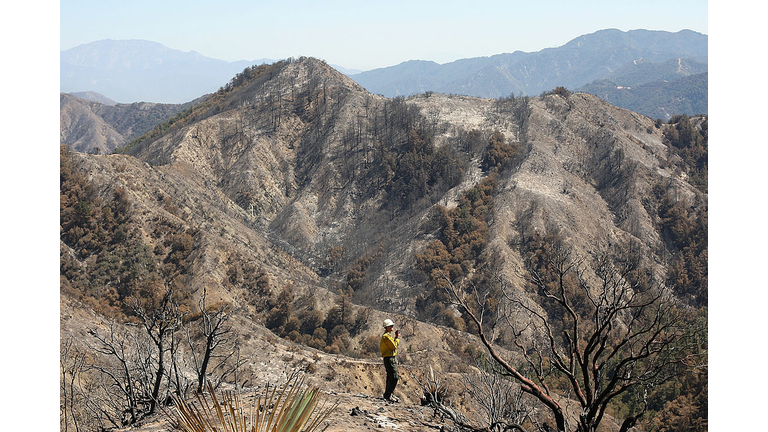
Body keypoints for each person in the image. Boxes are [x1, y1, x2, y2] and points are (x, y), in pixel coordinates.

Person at [380, 318, 401, 402]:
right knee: (394, 377)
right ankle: (388, 394)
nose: (392, 327)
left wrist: (395, 337)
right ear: (387, 327)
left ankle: (388, 394)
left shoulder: (387, 336)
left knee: (390, 377)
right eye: (391, 326)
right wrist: (397, 338)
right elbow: (394, 346)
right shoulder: (386, 337)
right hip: (390, 358)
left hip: (389, 358)